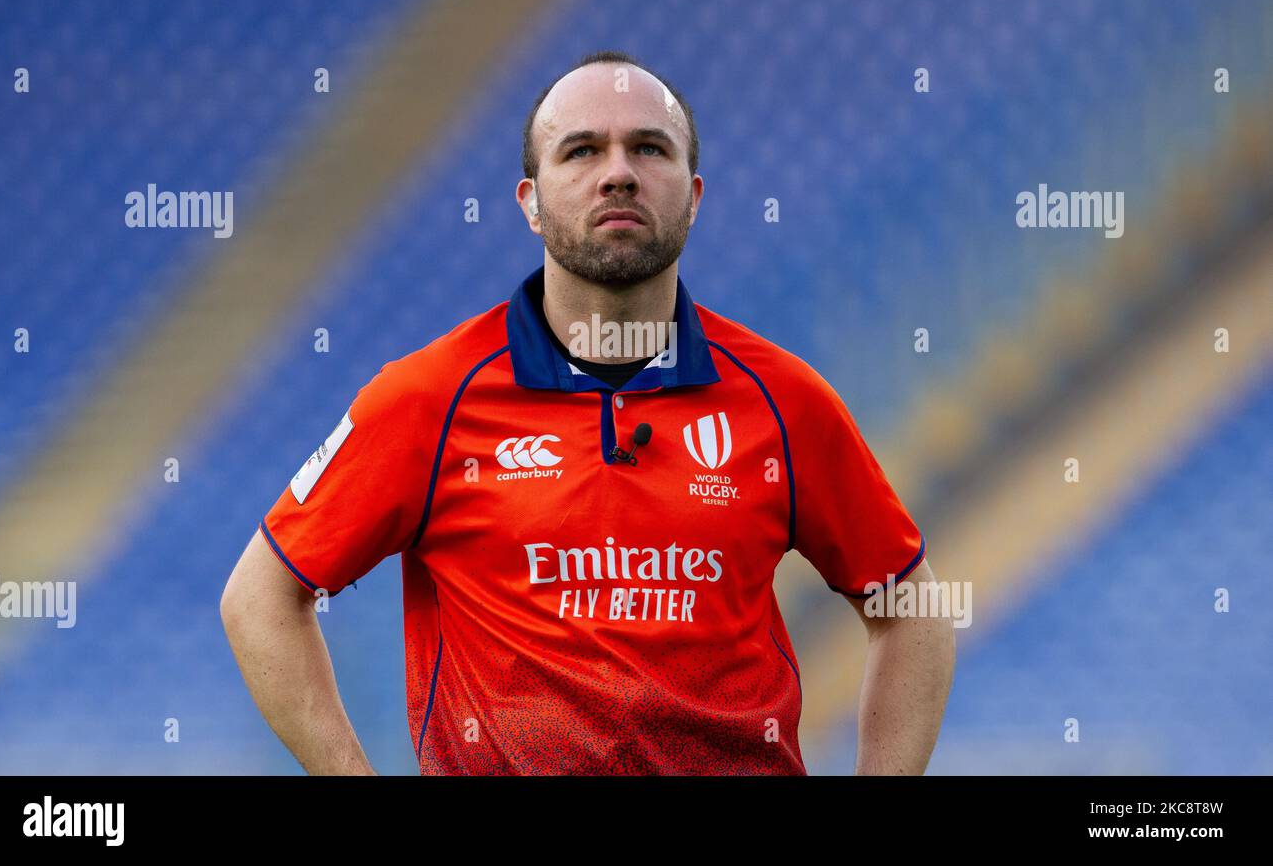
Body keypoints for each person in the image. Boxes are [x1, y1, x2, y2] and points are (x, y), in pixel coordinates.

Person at [221, 50, 955, 775]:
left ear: (694, 196)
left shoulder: (785, 401)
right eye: (581, 150)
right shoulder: (428, 400)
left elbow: (911, 607)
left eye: (648, 147)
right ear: (530, 203)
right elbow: (261, 596)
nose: (619, 172)